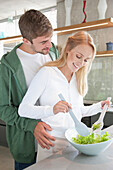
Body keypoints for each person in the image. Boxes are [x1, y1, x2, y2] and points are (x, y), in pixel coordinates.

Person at [18, 31, 110, 162]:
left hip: (75, 143)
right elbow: (23, 109)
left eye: (86, 60)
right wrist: (52, 110)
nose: (81, 63)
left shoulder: (78, 78)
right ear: (68, 49)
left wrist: (98, 107)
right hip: (51, 144)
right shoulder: (47, 73)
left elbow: (78, 111)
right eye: (79, 56)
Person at [0, 9, 59, 170]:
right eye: (43, 42)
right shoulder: (8, 67)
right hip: (28, 145)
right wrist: (32, 125)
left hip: (56, 141)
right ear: (26, 40)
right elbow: (3, 109)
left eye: (50, 39)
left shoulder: (52, 52)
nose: (49, 45)